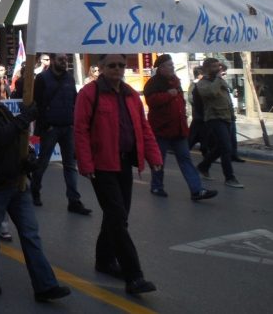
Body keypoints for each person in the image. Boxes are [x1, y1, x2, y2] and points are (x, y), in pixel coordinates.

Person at [0, 71, 70, 302]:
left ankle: (45, 286)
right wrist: (25, 118)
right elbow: (0, 137)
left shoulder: (0, 109)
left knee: (30, 234)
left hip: (16, 182)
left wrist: (27, 157)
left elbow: (14, 138)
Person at [74, 53, 162, 295]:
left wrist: (154, 157)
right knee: (117, 217)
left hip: (124, 163)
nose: (118, 69)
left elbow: (143, 128)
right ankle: (134, 276)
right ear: (101, 68)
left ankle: (103, 260)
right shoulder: (89, 94)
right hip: (101, 166)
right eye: (112, 65)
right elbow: (80, 130)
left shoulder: (131, 94)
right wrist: (86, 164)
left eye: (121, 65)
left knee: (116, 217)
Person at [143, 54, 218, 201]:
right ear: (162, 67)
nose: (172, 67)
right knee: (159, 161)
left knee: (186, 160)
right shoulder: (153, 83)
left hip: (179, 130)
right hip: (161, 130)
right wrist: (167, 95)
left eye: (172, 65)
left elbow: (180, 103)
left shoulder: (175, 81)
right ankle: (157, 186)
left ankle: (197, 190)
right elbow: (151, 102)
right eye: (169, 65)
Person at [31, 53, 91, 214]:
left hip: (68, 127)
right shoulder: (42, 79)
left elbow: (74, 100)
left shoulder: (69, 78)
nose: (64, 62)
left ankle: (74, 201)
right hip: (51, 128)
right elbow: (38, 104)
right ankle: (34, 191)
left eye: (66, 59)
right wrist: (46, 125)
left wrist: (74, 122)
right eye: (61, 59)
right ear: (52, 61)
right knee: (42, 162)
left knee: (70, 165)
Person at [194, 58, 244, 188]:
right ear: (207, 69)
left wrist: (232, 115)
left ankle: (203, 166)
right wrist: (217, 78)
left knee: (222, 147)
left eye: (218, 66)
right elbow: (211, 92)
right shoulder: (202, 84)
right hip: (214, 118)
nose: (218, 69)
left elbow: (227, 98)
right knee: (226, 148)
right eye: (214, 66)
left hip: (226, 117)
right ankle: (229, 177)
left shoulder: (219, 80)